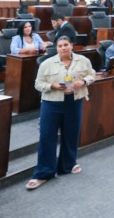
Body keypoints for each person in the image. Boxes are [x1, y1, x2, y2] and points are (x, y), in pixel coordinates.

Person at [26, 37, 96, 190]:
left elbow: (92, 74)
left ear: (72, 46)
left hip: (74, 102)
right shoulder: (47, 64)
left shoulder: (83, 60)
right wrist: (53, 85)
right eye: (60, 46)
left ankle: (67, 165)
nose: (63, 48)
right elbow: (38, 84)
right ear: (56, 48)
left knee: (71, 134)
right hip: (52, 103)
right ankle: (44, 173)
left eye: (66, 45)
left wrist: (83, 82)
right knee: (47, 136)